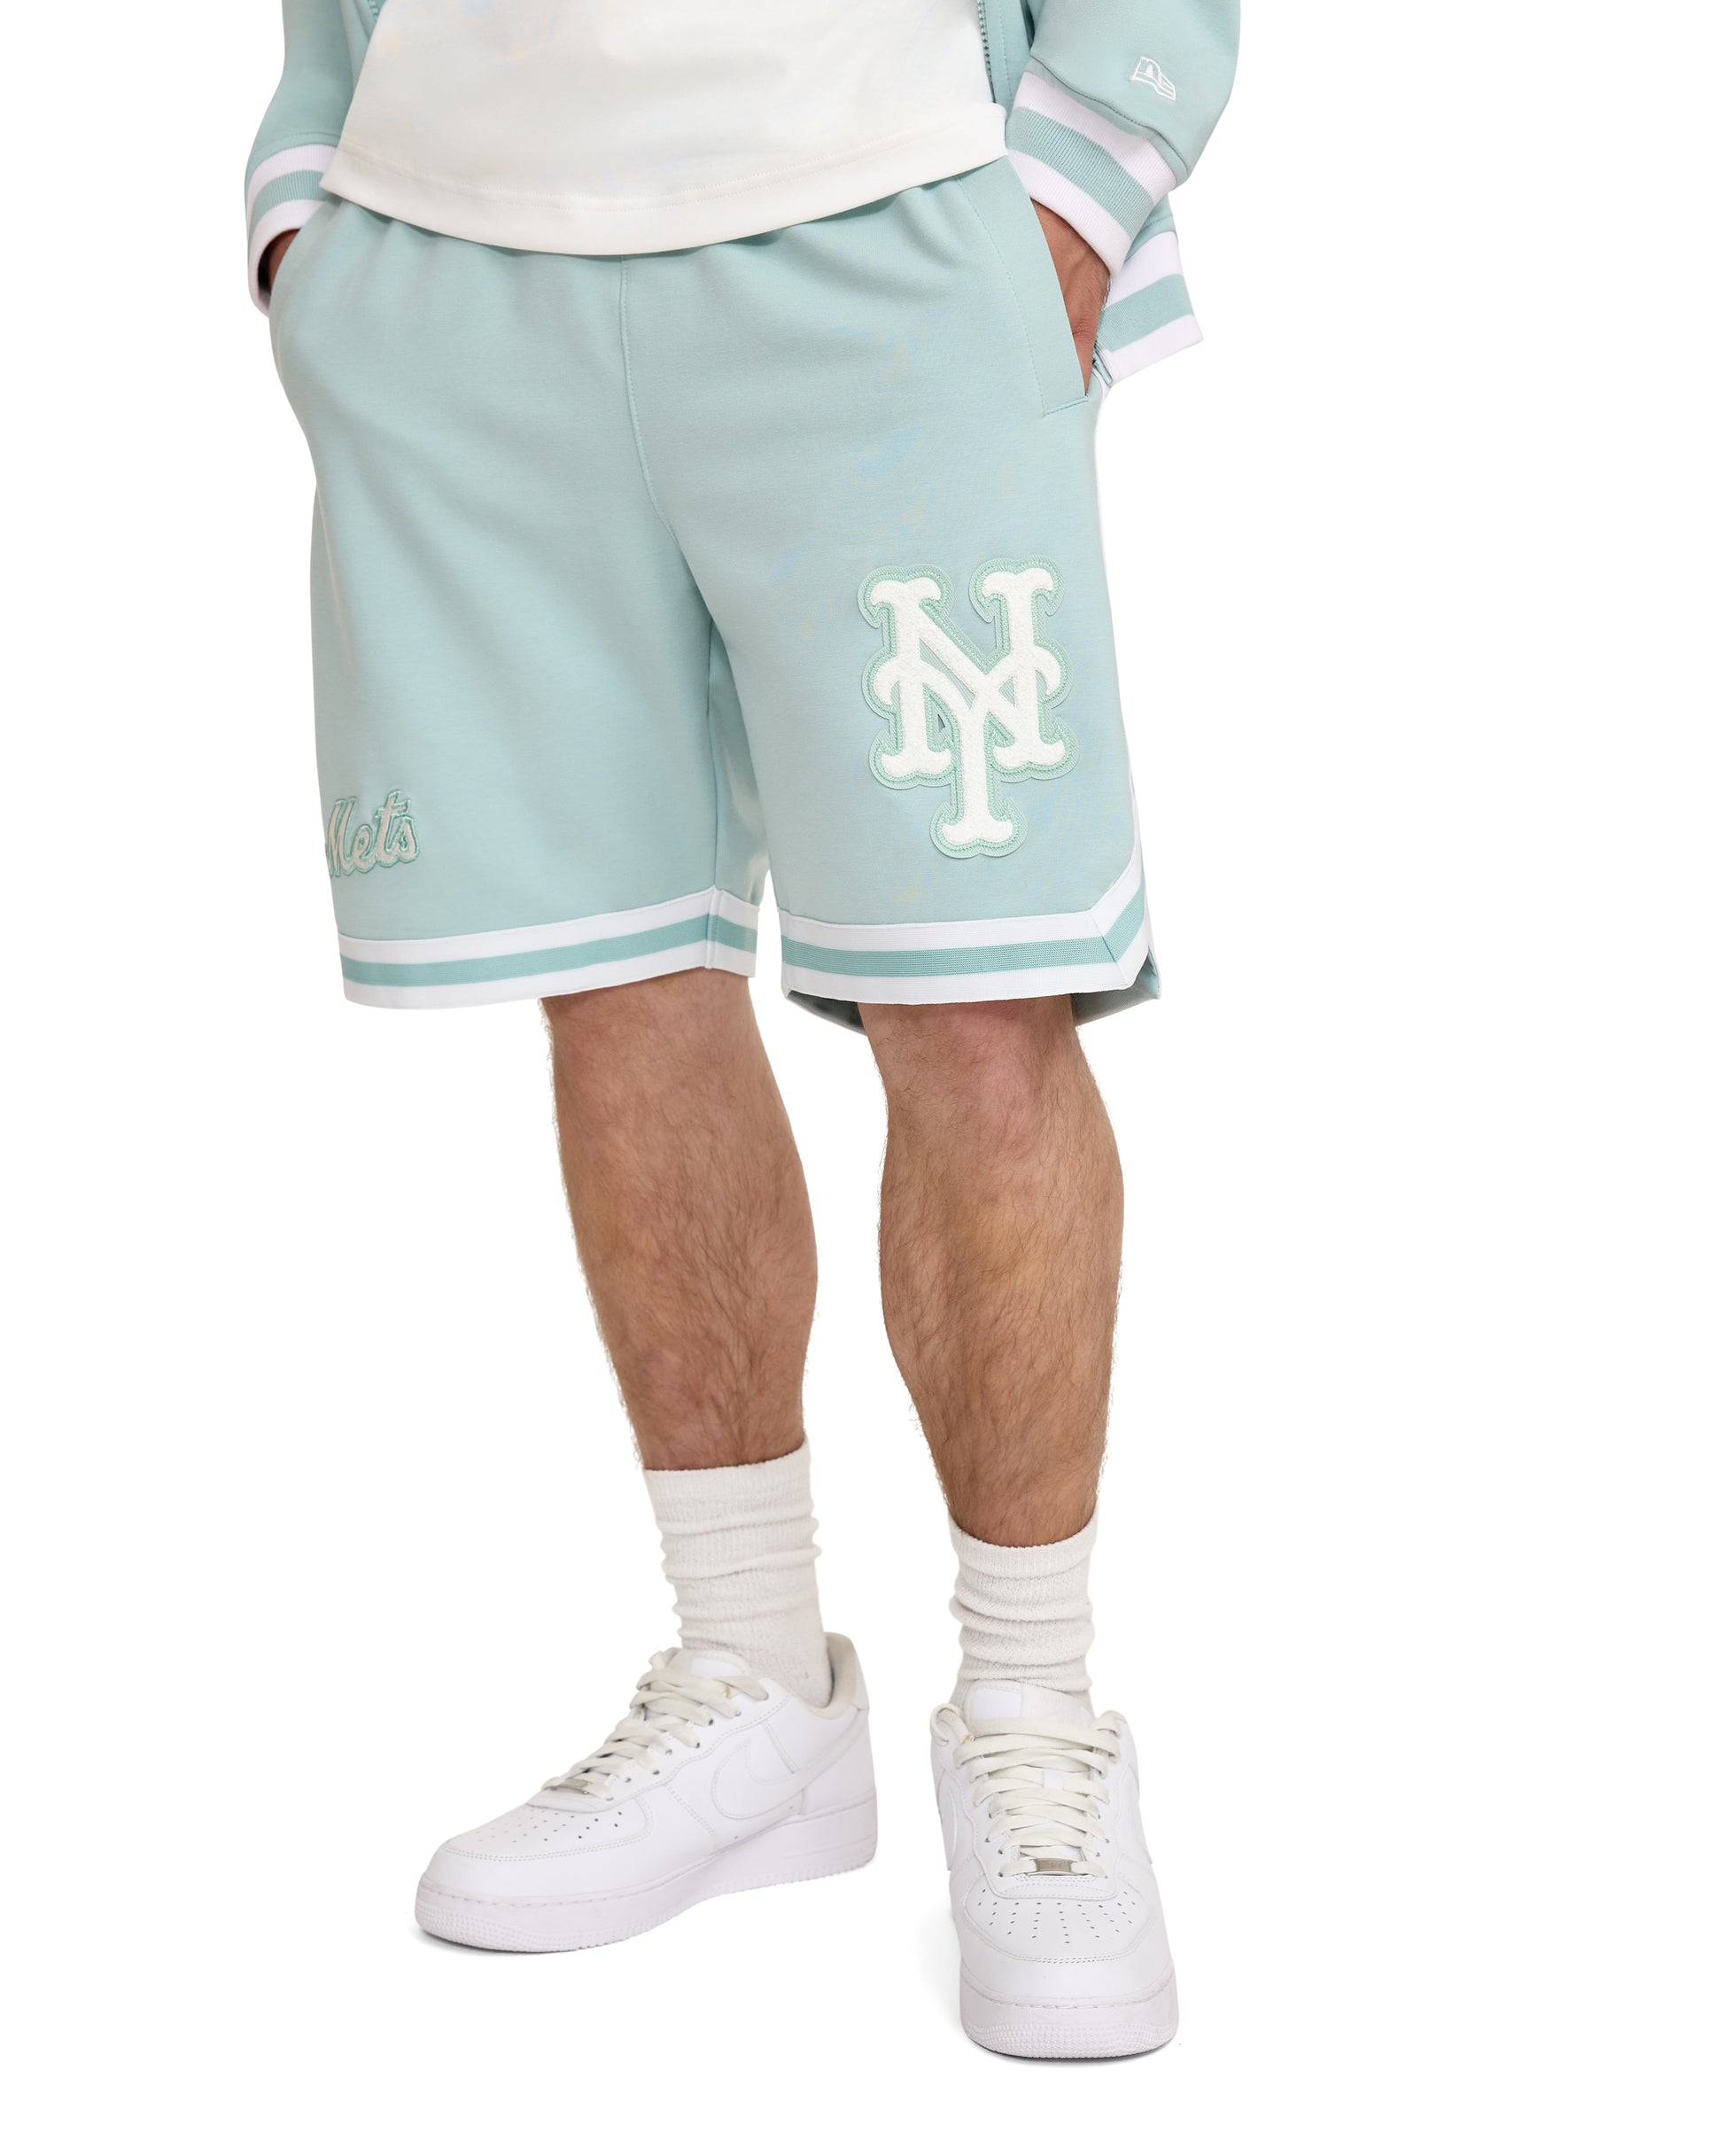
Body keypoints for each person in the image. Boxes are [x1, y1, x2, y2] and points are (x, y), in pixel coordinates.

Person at [248, 0, 1237, 2060]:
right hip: (456, 265)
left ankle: (1033, 1710)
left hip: (880, 213)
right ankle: (753, 1675)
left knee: (974, 999)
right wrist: (308, 181)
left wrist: (1082, 184)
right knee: (619, 983)